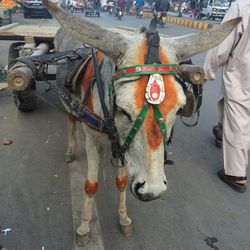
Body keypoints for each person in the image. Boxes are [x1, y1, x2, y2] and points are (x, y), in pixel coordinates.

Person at [203, 0, 250, 193]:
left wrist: (206, 70)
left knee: (238, 112)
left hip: (243, 72)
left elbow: (222, 44)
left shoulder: (242, 5)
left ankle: (236, 173)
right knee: (228, 101)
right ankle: (223, 133)